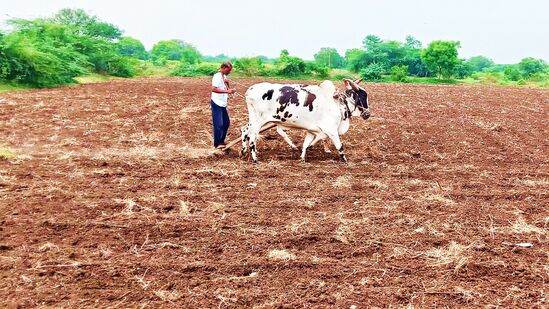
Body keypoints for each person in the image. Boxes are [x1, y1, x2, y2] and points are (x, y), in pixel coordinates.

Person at [210, 62, 236, 149]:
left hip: (223, 103)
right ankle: (217, 144)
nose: (229, 72)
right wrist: (227, 92)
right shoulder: (217, 76)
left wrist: (228, 86)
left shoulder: (224, 76)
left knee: (226, 123)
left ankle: (221, 141)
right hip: (216, 103)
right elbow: (214, 89)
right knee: (219, 124)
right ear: (224, 68)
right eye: (228, 70)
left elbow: (225, 87)